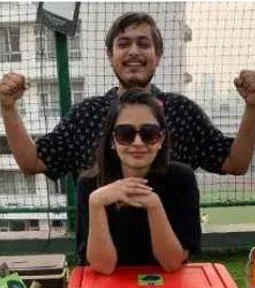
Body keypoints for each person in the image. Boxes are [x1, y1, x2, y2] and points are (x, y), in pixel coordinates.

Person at [0, 12, 255, 182]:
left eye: (143, 44)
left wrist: (252, 106)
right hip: (101, 253)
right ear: (110, 55)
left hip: (170, 252)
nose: (134, 51)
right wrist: (8, 108)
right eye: (123, 44)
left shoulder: (181, 111)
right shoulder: (87, 114)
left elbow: (234, 163)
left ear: (157, 55)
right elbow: (32, 161)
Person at [77, 89, 199, 275]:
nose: (138, 142)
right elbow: (103, 267)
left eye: (149, 134)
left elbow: (173, 263)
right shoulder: (90, 183)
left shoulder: (181, 178)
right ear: (112, 140)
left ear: (161, 140)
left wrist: (154, 205)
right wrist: (96, 203)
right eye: (125, 134)